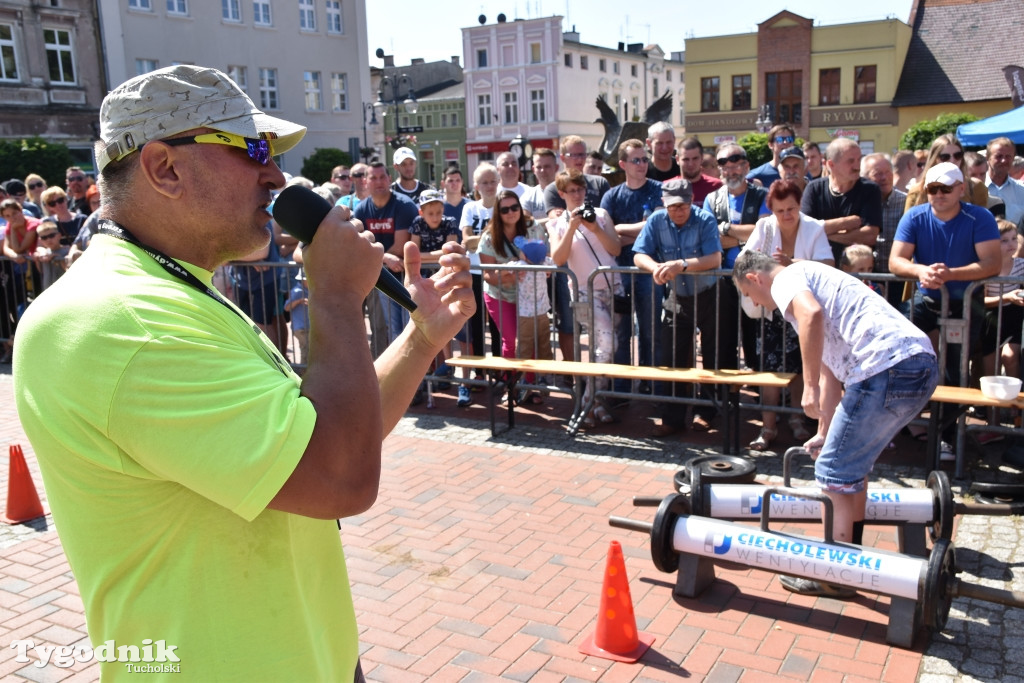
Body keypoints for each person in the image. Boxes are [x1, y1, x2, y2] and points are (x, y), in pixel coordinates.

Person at [13, 64, 473, 682]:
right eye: (253, 150)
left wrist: (420, 340)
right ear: (163, 168)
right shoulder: (124, 320)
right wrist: (334, 297)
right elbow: (341, 476)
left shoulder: (171, 293)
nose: (277, 176)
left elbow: (318, 442)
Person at [732, 250, 938, 596]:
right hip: (915, 365)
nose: (762, 306)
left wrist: (806, 386)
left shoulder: (787, 279)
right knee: (850, 467)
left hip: (883, 367)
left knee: (834, 471)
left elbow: (810, 317)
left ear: (755, 278)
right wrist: (825, 432)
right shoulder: (814, 284)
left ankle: (834, 573)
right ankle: (849, 562)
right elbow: (832, 375)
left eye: (753, 297)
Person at [740, 179, 833, 451]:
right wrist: (769, 266)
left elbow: (828, 263)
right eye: (780, 211)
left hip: (804, 308)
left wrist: (795, 264)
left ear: (799, 205)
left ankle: (797, 419)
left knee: (802, 368)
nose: (786, 216)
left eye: (791, 209)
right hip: (772, 310)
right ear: (772, 210)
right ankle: (768, 426)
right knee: (770, 370)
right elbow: (744, 261)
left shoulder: (814, 227)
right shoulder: (764, 226)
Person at [633, 178, 723, 436]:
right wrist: (656, 268)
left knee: (711, 355)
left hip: (709, 293)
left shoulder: (705, 219)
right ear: (664, 203)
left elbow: (714, 258)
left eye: (682, 205)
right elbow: (639, 253)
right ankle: (672, 417)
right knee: (671, 357)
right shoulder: (656, 221)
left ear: (691, 199)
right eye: (672, 206)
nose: (678, 211)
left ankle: (707, 411)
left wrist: (681, 264)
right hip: (676, 297)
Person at [550, 169, 622, 425]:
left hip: (613, 288)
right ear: (562, 194)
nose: (579, 195)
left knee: (600, 350)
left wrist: (595, 228)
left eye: (581, 189)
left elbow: (615, 248)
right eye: (573, 191)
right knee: (607, 345)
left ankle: (597, 403)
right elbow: (558, 260)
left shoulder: (601, 215)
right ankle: (587, 404)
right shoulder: (557, 223)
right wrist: (571, 227)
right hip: (583, 291)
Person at [600, 139, 664, 396]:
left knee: (651, 331)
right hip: (619, 272)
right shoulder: (612, 196)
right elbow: (605, 236)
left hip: (650, 272)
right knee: (621, 331)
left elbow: (656, 226)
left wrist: (620, 230)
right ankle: (623, 386)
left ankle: (651, 383)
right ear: (623, 164)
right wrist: (639, 228)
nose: (642, 165)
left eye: (645, 159)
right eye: (636, 160)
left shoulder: (659, 189)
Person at [354, 161, 419, 344]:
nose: (379, 181)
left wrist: (379, 258)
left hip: (407, 276)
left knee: (412, 327)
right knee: (393, 331)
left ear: (390, 179)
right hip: (381, 277)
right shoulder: (361, 209)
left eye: (383, 177)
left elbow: (400, 247)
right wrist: (385, 258)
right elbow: (358, 246)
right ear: (366, 182)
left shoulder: (403, 205)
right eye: (373, 178)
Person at [478, 190, 540, 362]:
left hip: (528, 295)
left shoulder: (533, 227)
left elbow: (543, 257)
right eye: (505, 210)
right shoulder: (489, 237)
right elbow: (488, 275)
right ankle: (511, 383)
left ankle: (530, 383)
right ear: (498, 213)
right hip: (499, 295)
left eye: (514, 207)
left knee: (530, 341)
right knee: (511, 341)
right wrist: (509, 271)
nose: (511, 212)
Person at [801, 138, 882, 264]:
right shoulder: (814, 189)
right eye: (850, 161)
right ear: (831, 164)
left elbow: (870, 236)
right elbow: (804, 230)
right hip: (821, 269)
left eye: (859, 159)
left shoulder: (870, 189)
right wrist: (845, 223)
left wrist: (824, 234)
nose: (857, 166)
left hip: (857, 273)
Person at [461, 163, 500, 359]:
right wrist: (492, 234)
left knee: (498, 325)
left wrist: (480, 239)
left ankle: (501, 372)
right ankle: (479, 371)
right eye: (484, 182)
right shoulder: (469, 208)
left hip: (497, 273)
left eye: (493, 181)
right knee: (476, 323)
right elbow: (468, 243)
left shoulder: (504, 208)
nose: (489, 186)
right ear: (476, 186)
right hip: (474, 272)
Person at [860, 153, 907, 307]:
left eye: (888, 172)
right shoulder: (859, 203)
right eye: (878, 173)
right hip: (866, 278)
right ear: (864, 177)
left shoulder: (906, 202)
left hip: (898, 278)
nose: (884, 177)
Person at [980, 219, 1024, 383]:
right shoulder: (987, 267)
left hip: (1014, 316)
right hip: (991, 319)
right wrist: (1006, 297)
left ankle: (1015, 405)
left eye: (1014, 238)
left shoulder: (1021, 265)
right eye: (1004, 240)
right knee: (991, 371)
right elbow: (982, 300)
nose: (1011, 244)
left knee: (1010, 356)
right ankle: (992, 409)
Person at [905, 134, 988, 213]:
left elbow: (981, 221)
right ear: (934, 159)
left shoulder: (976, 187)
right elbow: (910, 223)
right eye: (945, 157)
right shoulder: (916, 191)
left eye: (957, 155)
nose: (952, 161)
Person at [543, 135, 610, 214]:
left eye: (582, 154)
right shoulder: (553, 189)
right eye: (574, 155)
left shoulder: (599, 183)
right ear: (562, 158)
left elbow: (607, 215)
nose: (580, 159)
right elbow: (555, 219)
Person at [985, 137, 1024, 227]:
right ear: (988, 157)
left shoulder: (1021, 191)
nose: (1003, 160)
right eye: (999, 156)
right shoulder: (976, 189)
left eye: (1008, 156)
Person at [676, 136, 723, 206]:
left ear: (702, 158)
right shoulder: (667, 187)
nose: (690, 164)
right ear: (677, 159)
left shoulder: (717, 186)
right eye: (686, 159)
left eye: (695, 159)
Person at [746, 123, 796, 188]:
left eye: (789, 139)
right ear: (770, 145)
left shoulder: (802, 173)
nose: (785, 142)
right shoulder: (758, 174)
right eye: (780, 140)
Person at [283, 269, 310, 365]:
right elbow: (286, 307)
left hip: (307, 327)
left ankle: (305, 371)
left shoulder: (310, 291)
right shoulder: (297, 291)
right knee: (306, 350)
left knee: (308, 349)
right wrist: (299, 301)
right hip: (300, 328)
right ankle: (303, 372)